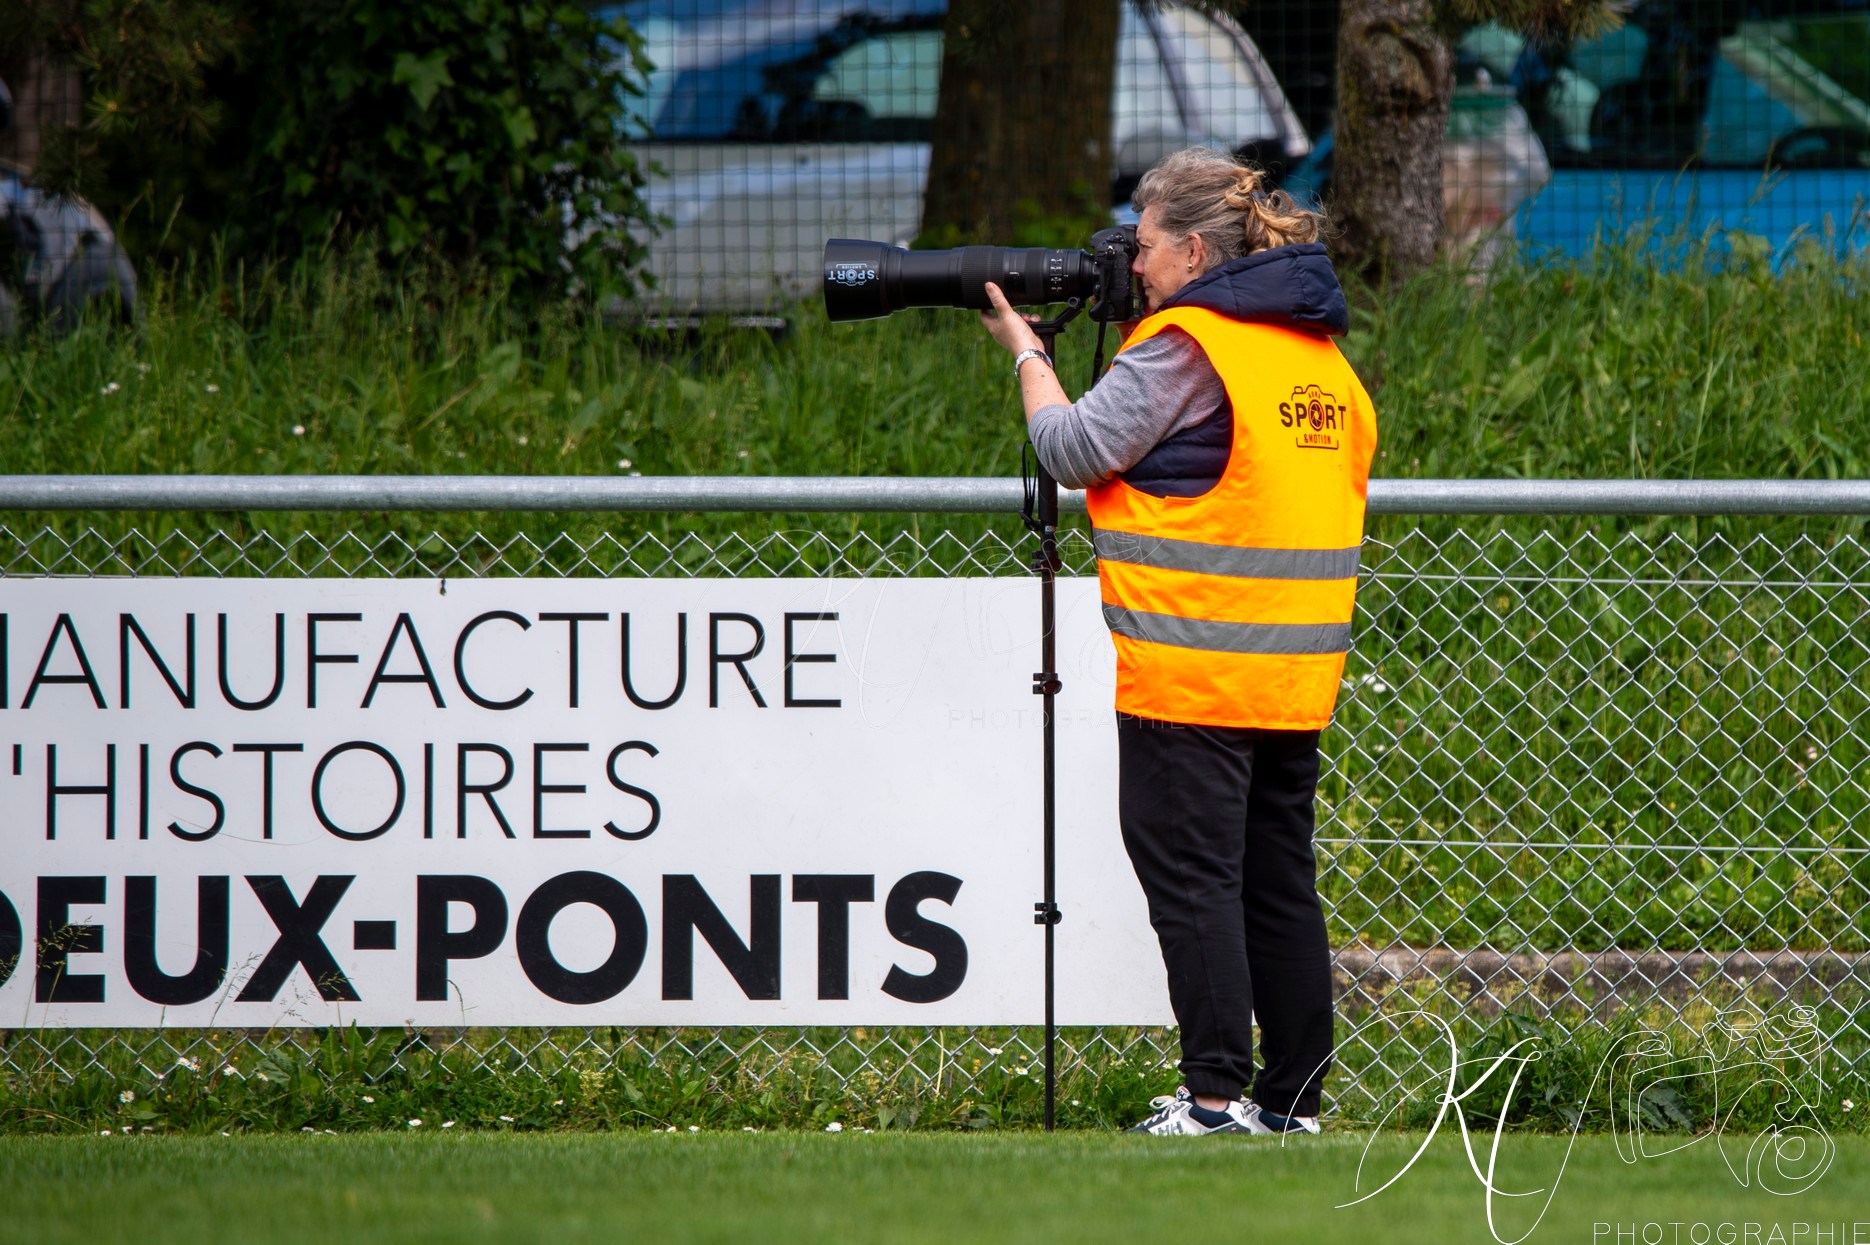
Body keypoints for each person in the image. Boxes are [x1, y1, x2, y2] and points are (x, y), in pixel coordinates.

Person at [978, 147, 1377, 1137]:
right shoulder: (1308, 351)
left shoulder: (1187, 343)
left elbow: (1073, 448)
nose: (1133, 263)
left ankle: (1210, 1099)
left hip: (1191, 671)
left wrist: (1028, 354)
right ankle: (1290, 1105)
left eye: (1145, 246)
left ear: (1194, 250)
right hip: (1291, 673)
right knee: (1276, 885)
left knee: (1193, 884)